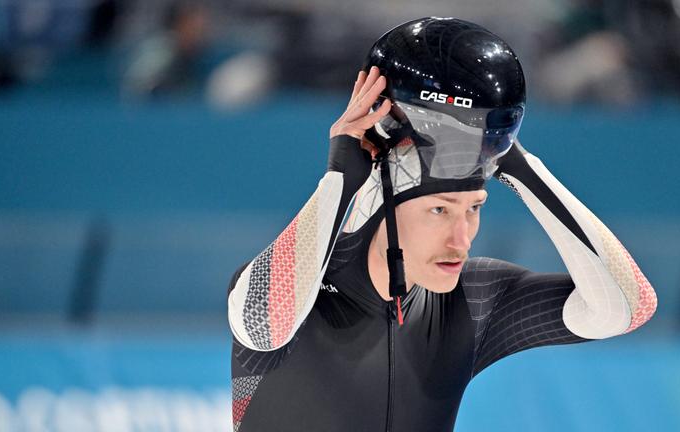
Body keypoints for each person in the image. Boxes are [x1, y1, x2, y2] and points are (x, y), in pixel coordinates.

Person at [226, 17, 657, 432]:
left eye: (474, 208)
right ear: (384, 198)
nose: (462, 238)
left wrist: (519, 165)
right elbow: (262, 326)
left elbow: (625, 308)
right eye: (440, 210)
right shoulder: (297, 290)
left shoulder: (473, 302)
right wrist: (341, 177)